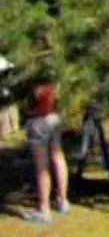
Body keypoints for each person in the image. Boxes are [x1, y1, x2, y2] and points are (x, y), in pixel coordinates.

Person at [25, 73, 69, 221]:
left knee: (41, 165)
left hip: (38, 119)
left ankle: (44, 209)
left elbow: (36, 95)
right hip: (54, 117)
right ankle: (62, 200)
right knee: (58, 157)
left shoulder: (35, 76)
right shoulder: (55, 76)